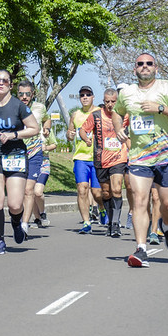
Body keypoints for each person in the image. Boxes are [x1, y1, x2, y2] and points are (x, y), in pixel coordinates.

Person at [112, 53, 168, 268]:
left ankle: (166, 226)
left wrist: (161, 109)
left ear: (156, 67)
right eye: (140, 64)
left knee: (167, 203)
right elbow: (117, 113)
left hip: (164, 156)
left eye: (149, 64)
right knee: (139, 200)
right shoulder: (127, 93)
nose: (144, 67)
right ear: (134, 69)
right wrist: (119, 129)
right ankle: (141, 248)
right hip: (139, 157)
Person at [0, 70, 40, 254]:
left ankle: (16, 222)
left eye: (5, 81)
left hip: (15, 156)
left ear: (10, 85)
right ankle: (0, 241)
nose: (1, 83)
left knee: (15, 205)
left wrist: (14, 135)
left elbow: (34, 128)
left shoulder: (18, 106)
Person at [79, 88, 129, 238]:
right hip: (101, 159)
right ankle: (109, 221)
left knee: (117, 189)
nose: (110, 104)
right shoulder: (95, 116)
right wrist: (86, 138)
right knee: (106, 193)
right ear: (103, 100)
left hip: (119, 158)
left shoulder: (124, 115)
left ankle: (115, 223)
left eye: (113, 101)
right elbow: (82, 130)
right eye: (107, 101)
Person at [67, 86, 105, 233]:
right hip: (80, 157)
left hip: (97, 157)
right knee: (82, 189)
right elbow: (69, 133)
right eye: (82, 95)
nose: (85, 97)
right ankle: (86, 222)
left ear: (93, 97)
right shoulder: (75, 114)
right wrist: (69, 135)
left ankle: (101, 208)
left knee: (96, 193)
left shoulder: (99, 113)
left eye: (88, 94)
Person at [15, 81, 51, 235]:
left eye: (27, 94)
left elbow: (46, 119)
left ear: (33, 94)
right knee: (19, 191)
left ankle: (25, 223)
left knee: (29, 190)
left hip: (35, 152)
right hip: (16, 152)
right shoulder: (12, 106)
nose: (24, 97)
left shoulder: (39, 107)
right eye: (21, 94)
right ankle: (20, 217)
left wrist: (47, 128)